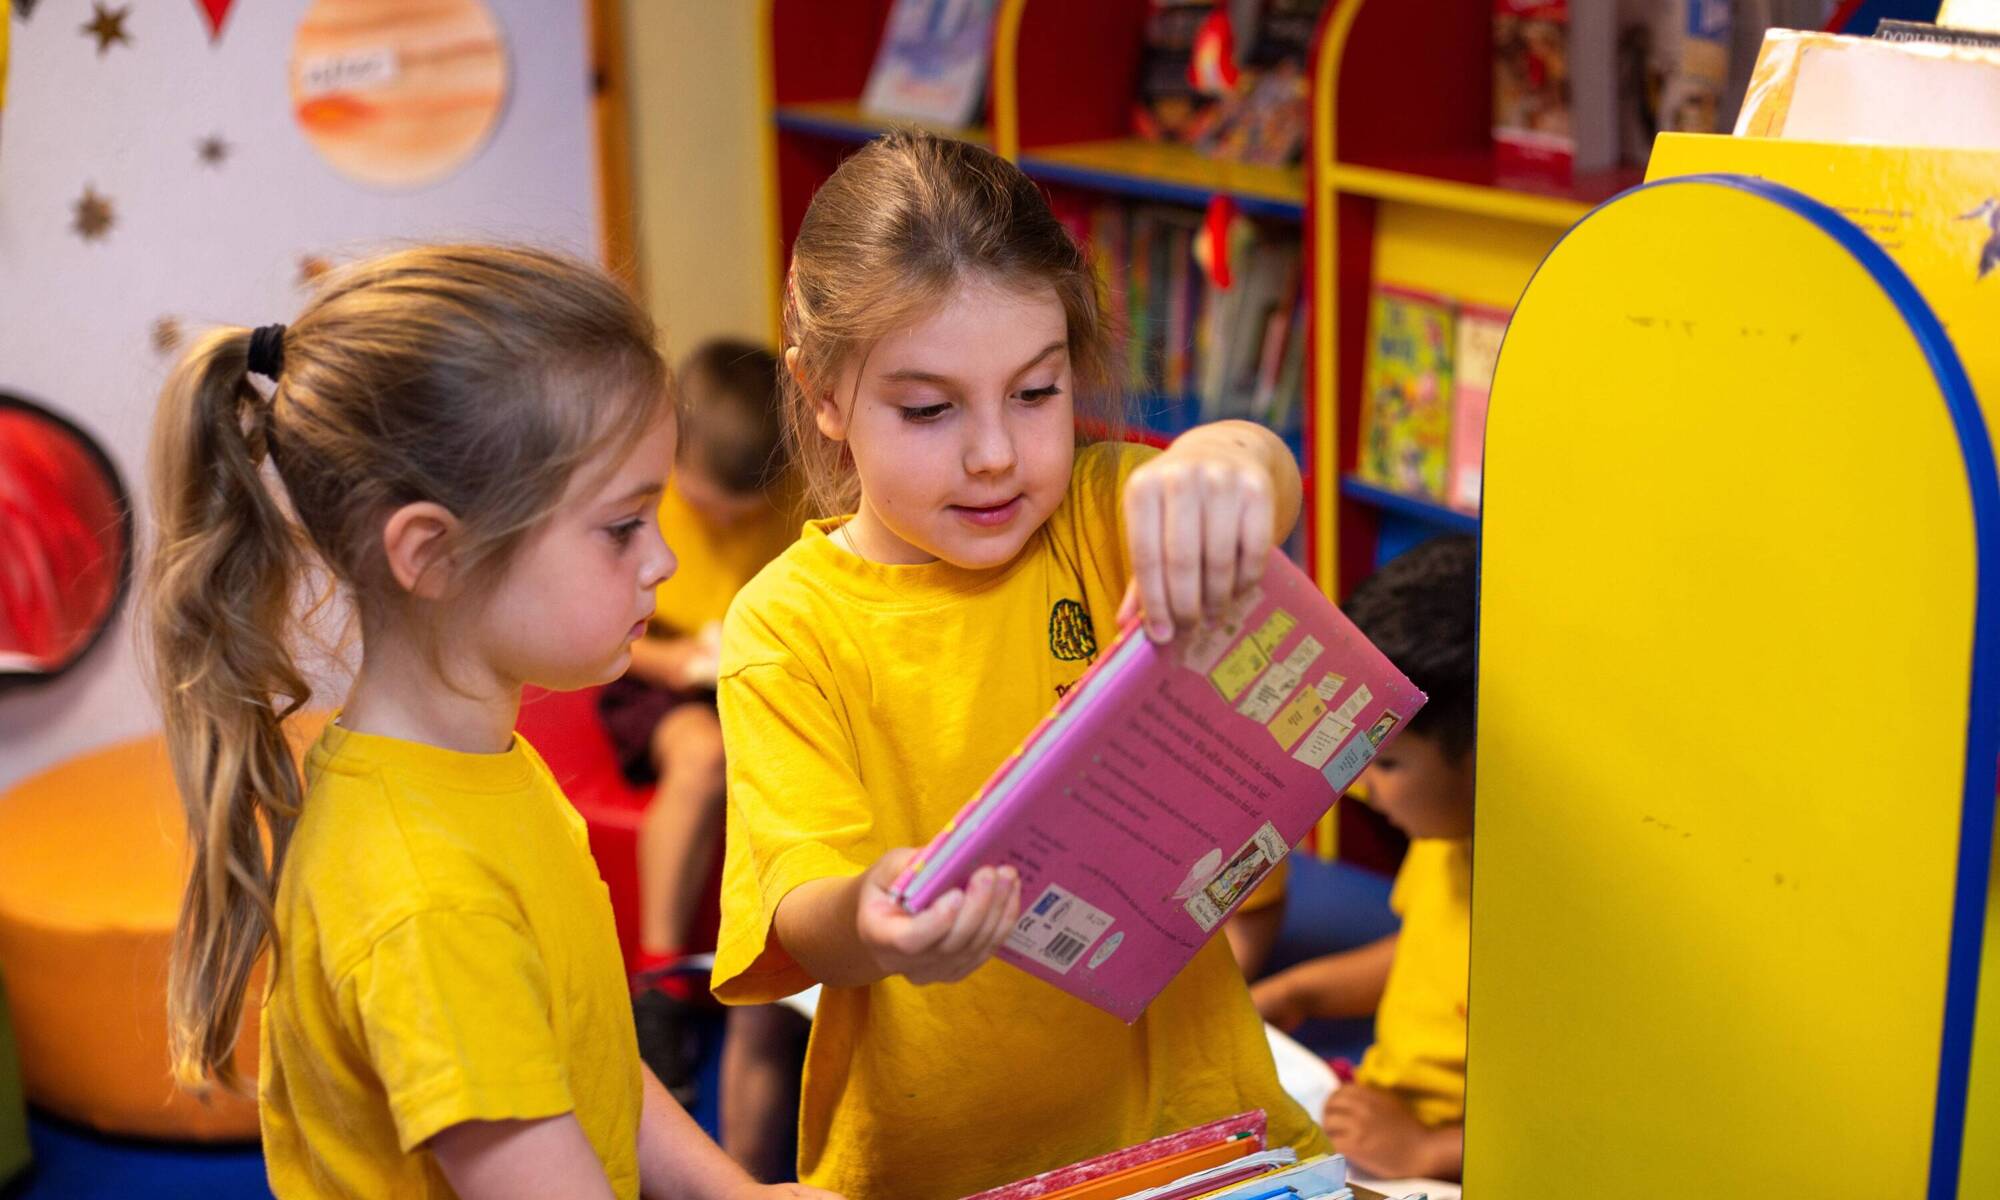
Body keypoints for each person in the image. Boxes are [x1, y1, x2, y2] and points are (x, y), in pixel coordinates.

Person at [143, 244, 839, 1200]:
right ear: (432, 553)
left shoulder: (479, 767)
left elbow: (583, 1053)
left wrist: (738, 1193)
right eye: (622, 525)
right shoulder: (427, 899)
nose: (666, 561)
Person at [711, 132, 1326, 1198]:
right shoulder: (787, 626)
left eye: (1035, 394)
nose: (993, 452)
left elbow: (1247, 474)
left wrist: (1230, 466)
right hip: (937, 1169)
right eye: (929, 408)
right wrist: (875, 915)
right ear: (820, 395)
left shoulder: (1096, 516)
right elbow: (799, 907)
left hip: (1200, 1149)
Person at [1252, 535, 1476, 1183]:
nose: (1361, 784)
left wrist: (1429, 1151)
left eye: (1389, 762)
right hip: (1374, 1106)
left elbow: (1578, 1091)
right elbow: (1426, 953)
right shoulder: (1444, 840)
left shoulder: (1539, 903)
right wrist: (1304, 991)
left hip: (1439, 1159)